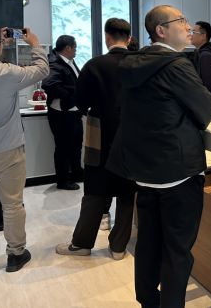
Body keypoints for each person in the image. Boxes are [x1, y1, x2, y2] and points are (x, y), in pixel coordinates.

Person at [107, 5, 211, 308]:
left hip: (145, 172)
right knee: (177, 251)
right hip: (177, 170)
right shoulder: (175, 65)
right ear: (161, 30)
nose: (188, 26)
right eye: (182, 21)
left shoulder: (133, 63)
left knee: (148, 243)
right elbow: (206, 109)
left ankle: (148, 302)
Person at [55, 19, 136, 260]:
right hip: (133, 138)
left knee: (95, 190)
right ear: (129, 38)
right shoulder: (140, 64)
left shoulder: (94, 65)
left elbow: (80, 102)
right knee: (127, 192)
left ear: (107, 37)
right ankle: (118, 248)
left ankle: (82, 244)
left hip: (100, 135)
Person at [0, 25, 48, 275]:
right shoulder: (5, 73)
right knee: (12, 205)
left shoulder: (2, 69)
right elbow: (41, 69)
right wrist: (34, 43)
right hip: (7, 148)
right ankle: (16, 254)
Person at [42, 35, 84, 190]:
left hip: (74, 112)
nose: (76, 51)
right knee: (64, 148)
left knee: (76, 145)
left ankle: (77, 173)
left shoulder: (68, 61)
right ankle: (63, 181)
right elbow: (49, 85)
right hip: (62, 114)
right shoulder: (54, 63)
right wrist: (71, 96)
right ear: (68, 48)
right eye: (75, 48)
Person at [190, 21, 211, 115]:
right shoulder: (201, 54)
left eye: (193, 32)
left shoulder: (206, 56)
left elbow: (209, 85)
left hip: (206, 108)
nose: (190, 35)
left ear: (203, 36)